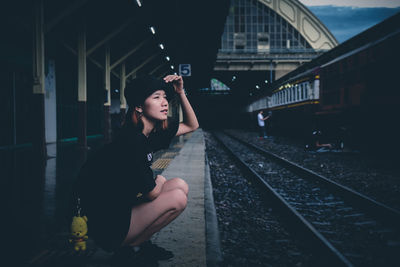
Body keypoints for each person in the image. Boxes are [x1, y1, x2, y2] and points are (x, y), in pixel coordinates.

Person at [72, 74, 199, 265]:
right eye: (156, 97)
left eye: (165, 97)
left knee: (178, 184)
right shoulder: (133, 142)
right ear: (139, 106)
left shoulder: (148, 133)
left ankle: (136, 245)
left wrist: (180, 92)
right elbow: (151, 194)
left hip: (118, 208)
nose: (164, 102)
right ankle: (131, 247)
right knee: (176, 197)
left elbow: (192, 125)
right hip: (109, 225)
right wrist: (157, 182)